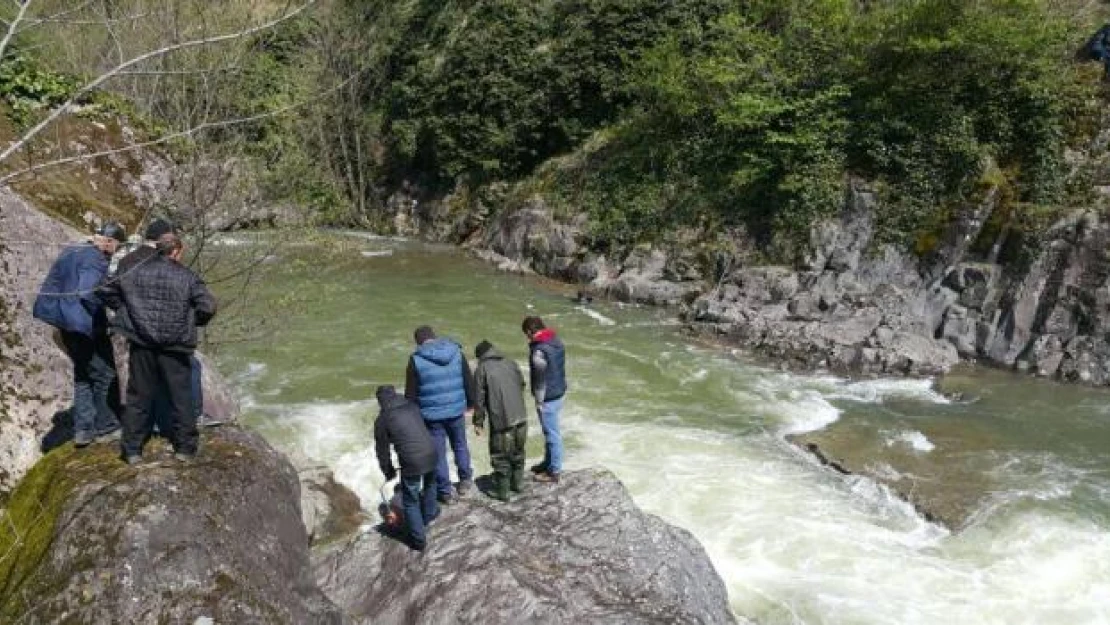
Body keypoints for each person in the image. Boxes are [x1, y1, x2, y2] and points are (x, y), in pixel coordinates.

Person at [100, 229, 217, 464]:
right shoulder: (187, 276)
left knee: (138, 397)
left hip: (142, 341)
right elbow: (208, 306)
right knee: (181, 397)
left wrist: (126, 311)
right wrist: (191, 320)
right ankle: (185, 449)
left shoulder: (135, 271)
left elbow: (104, 289)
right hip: (175, 345)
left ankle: (132, 450)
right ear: (176, 251)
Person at [33, 222, 127, 447]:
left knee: (83, 372)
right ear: (110, 241)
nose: (117, 251)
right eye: (118, 246)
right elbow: (88, 292)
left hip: (62, 321)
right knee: (104, 373)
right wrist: (111, 314)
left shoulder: (72, 249)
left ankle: (83, 429)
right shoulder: (94, 259)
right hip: (81, 324)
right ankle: (106, 425)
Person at [404, 325, 476, 504]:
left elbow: (410, 394)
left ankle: (445, 491)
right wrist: (472, 403)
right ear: (434, 337)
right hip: (456, 410)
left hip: (431, 415)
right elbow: (468, 379)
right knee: (460, 444)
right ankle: (465, 481)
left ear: (418, 342)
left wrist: (412, 418)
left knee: (439, 453)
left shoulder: (416, 360)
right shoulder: (456, 352)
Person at [374, 385, 438, 552]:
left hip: (412, 461)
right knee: (430, 485)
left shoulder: (383, 419)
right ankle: (430, 516)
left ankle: (418, 541)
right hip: (432, 451)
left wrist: (388, 471)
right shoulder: (412, 406)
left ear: (380, 401)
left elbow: (382, 451)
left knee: (410, 500)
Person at [472, 340, 529, 502]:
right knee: (518, 452)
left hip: (502, 420)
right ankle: (517, 484)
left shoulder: (482, 369)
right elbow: (522, 384)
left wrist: (478, 422)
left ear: (480, 357)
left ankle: (503, 492)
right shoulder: (511, 362)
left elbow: (479, 399)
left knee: (500, 456)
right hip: (521, 416)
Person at [523, 316, 567, 483]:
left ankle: (554, 471)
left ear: (529, 332)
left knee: (552, 433)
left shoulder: (539, 351)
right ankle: (547, 462)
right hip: (559, 391)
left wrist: (540, 402)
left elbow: (540, 381)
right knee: (550, 431)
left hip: (547, 397)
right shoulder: (556, 340)